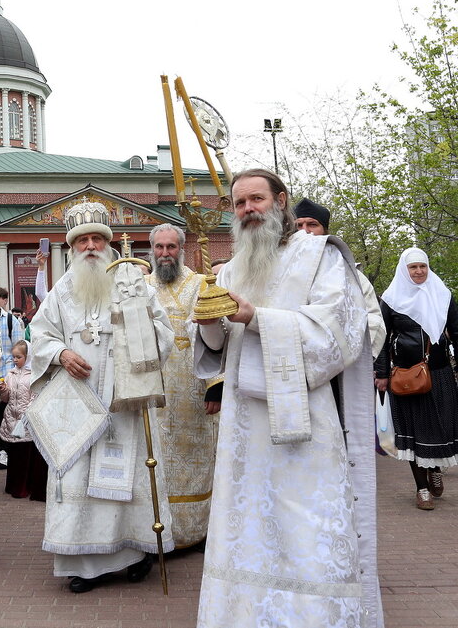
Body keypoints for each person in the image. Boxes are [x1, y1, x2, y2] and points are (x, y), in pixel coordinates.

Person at [194, 169, 381, 627]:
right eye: (239, 203)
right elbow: (218, 350)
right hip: (244, 430)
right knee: (249, 524)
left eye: (256, 199)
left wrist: (256, 316)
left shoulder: (321, 255)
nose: (248, 210)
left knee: (304, 526)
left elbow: (336, 336)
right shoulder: (234, 266)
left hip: (304, 427)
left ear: (281, 201)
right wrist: (206, 320)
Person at [29, 199, 175, 593]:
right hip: (78, 401)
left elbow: (164, 336)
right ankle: (87, 563)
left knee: (125, 475)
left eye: (97, 239)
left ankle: (134, 553)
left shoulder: (132, 281)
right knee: (78, 475)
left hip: (124, 397)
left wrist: (136, 331)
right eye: (82, 241)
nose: (90, 247)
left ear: (108, 243)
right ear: (72, 247)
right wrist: (61, 353)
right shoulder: (62, 288)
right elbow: (40, 336)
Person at [144, 224, 218, 550]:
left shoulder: (200, 284)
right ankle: (158, 535)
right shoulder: (140, 286)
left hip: (191, 389)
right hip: (151, 388)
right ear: (151, 249)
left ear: (182, 249)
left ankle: (196, 533)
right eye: (159, 247)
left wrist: (216, 385)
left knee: (195, 461)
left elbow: (216, 337)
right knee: (154, 460)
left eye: (171, 247)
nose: (164, 254)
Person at [374, 247, 458, 510]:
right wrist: (382, 373)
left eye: (422, 266)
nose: (419, 271)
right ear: (404, 270)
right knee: (413, 431)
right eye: (413, 267)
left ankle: (434, 468)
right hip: (407, 376)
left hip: (440, 372)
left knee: (439, 426)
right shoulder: (391, 299)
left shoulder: (443, 295)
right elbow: (381, 339)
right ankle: (422, 488)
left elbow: (456, 332)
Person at [294, 197, 386, 357]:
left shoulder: (348, 273)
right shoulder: (278, 271)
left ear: (325, 231)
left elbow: (373, 319)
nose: (305, 231)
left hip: (338, 362)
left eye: (312, 224)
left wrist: (343, 354)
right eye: (299, 225)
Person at [0, 340, 47, 500]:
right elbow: (6, 399)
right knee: (15, 456)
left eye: (18, 357)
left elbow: (35, 396)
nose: (15, 360)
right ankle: (13, 485)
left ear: (28, 356)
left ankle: (25, 487)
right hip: (12, 420)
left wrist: (27, 413)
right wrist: (4, 391)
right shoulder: (10, 374)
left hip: (26, 422)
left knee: (26, 456)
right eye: (13, 357)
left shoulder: (34, 374)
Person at [0, 285, 24, 468]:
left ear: (1, 300)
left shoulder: (11, 321)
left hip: (4, 374)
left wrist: (14, 374)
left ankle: (4, 451)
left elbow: (18, 348)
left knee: (4, 414)